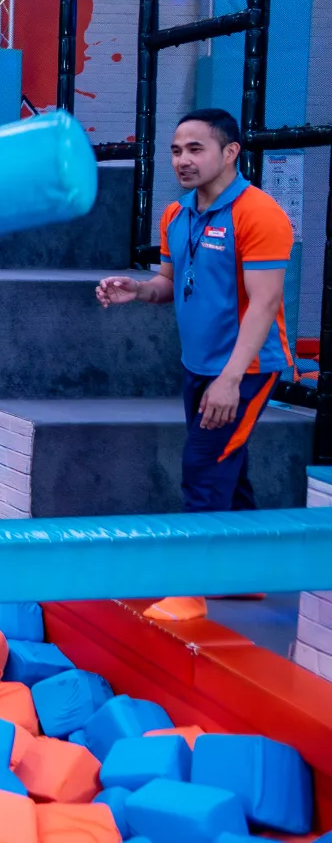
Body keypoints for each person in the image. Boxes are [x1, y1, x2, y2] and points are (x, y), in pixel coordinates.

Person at [98, 108, 295, 621]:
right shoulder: (175, 214)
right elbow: (168, 284)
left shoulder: (259, 214)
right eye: (176, 150)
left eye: (196, 149)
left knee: (204, 469)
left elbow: (267, 303)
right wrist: (137, 290)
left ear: (230, 152)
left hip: (245, 370)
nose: (182, 160)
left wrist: (230, 379)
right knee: (231, 468)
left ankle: (191, 591)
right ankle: (246, 577)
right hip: (199, 364)